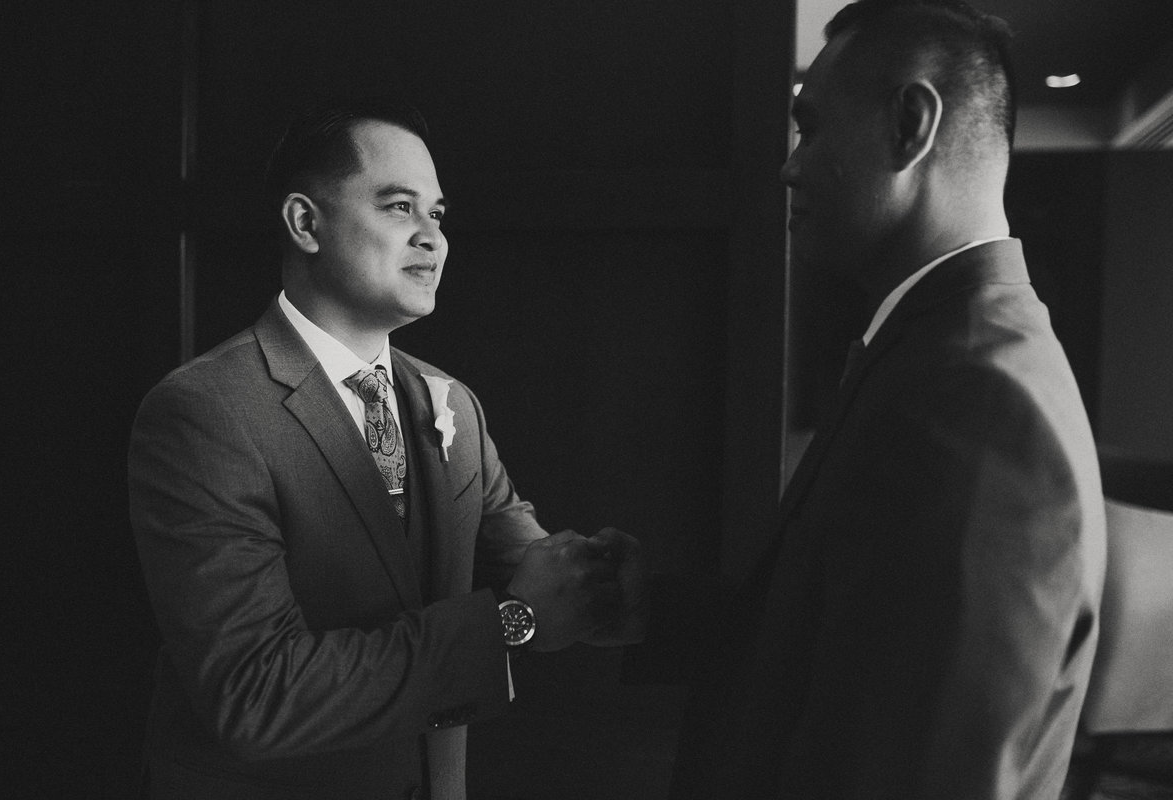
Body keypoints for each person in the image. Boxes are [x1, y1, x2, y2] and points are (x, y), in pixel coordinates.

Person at [129, 98, 639, 800]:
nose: (433, 239)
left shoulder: (449, 401)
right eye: (399, 207)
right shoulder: (205, 413)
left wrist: (606, 588)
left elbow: (529, 562)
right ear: (306, 223)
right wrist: (513, 623)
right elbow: (255, 694)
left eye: (437, 214)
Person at [664, 1, 1107, 797]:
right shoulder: (941, 349)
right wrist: (653, 610)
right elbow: (848, 636)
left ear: (911, 124)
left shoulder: (977, 402)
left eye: (812, 126)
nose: (789, 166)